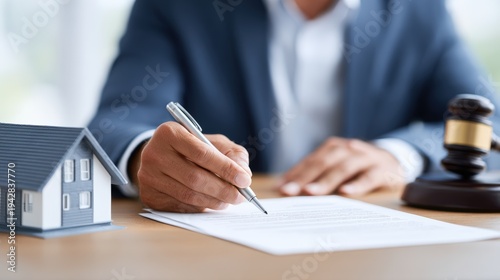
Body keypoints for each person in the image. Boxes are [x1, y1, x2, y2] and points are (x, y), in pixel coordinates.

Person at [88, 0, 500, 213]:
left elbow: (490, 120)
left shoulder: (419, 10)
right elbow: (116, 121)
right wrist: (147, 157)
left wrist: (397, 154)